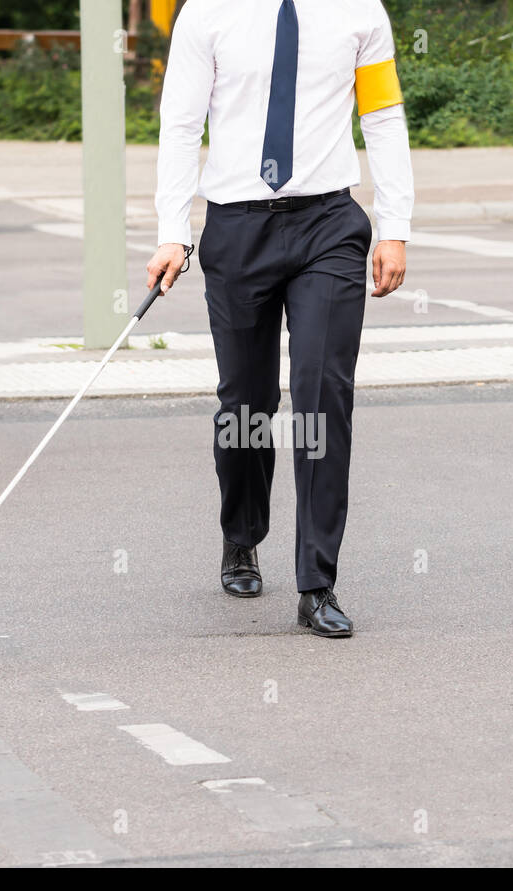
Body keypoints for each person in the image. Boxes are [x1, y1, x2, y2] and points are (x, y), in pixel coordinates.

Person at [147, 0, 414, 638]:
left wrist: (395, 226)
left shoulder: (360, 11)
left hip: (329, 225)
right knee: (247, 402)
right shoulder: (205, 14)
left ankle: (317, 582)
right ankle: (240, 534)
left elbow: (382, 114)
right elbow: (181, 124)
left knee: (323, 395)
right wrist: (171, 231)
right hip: (237, 224)